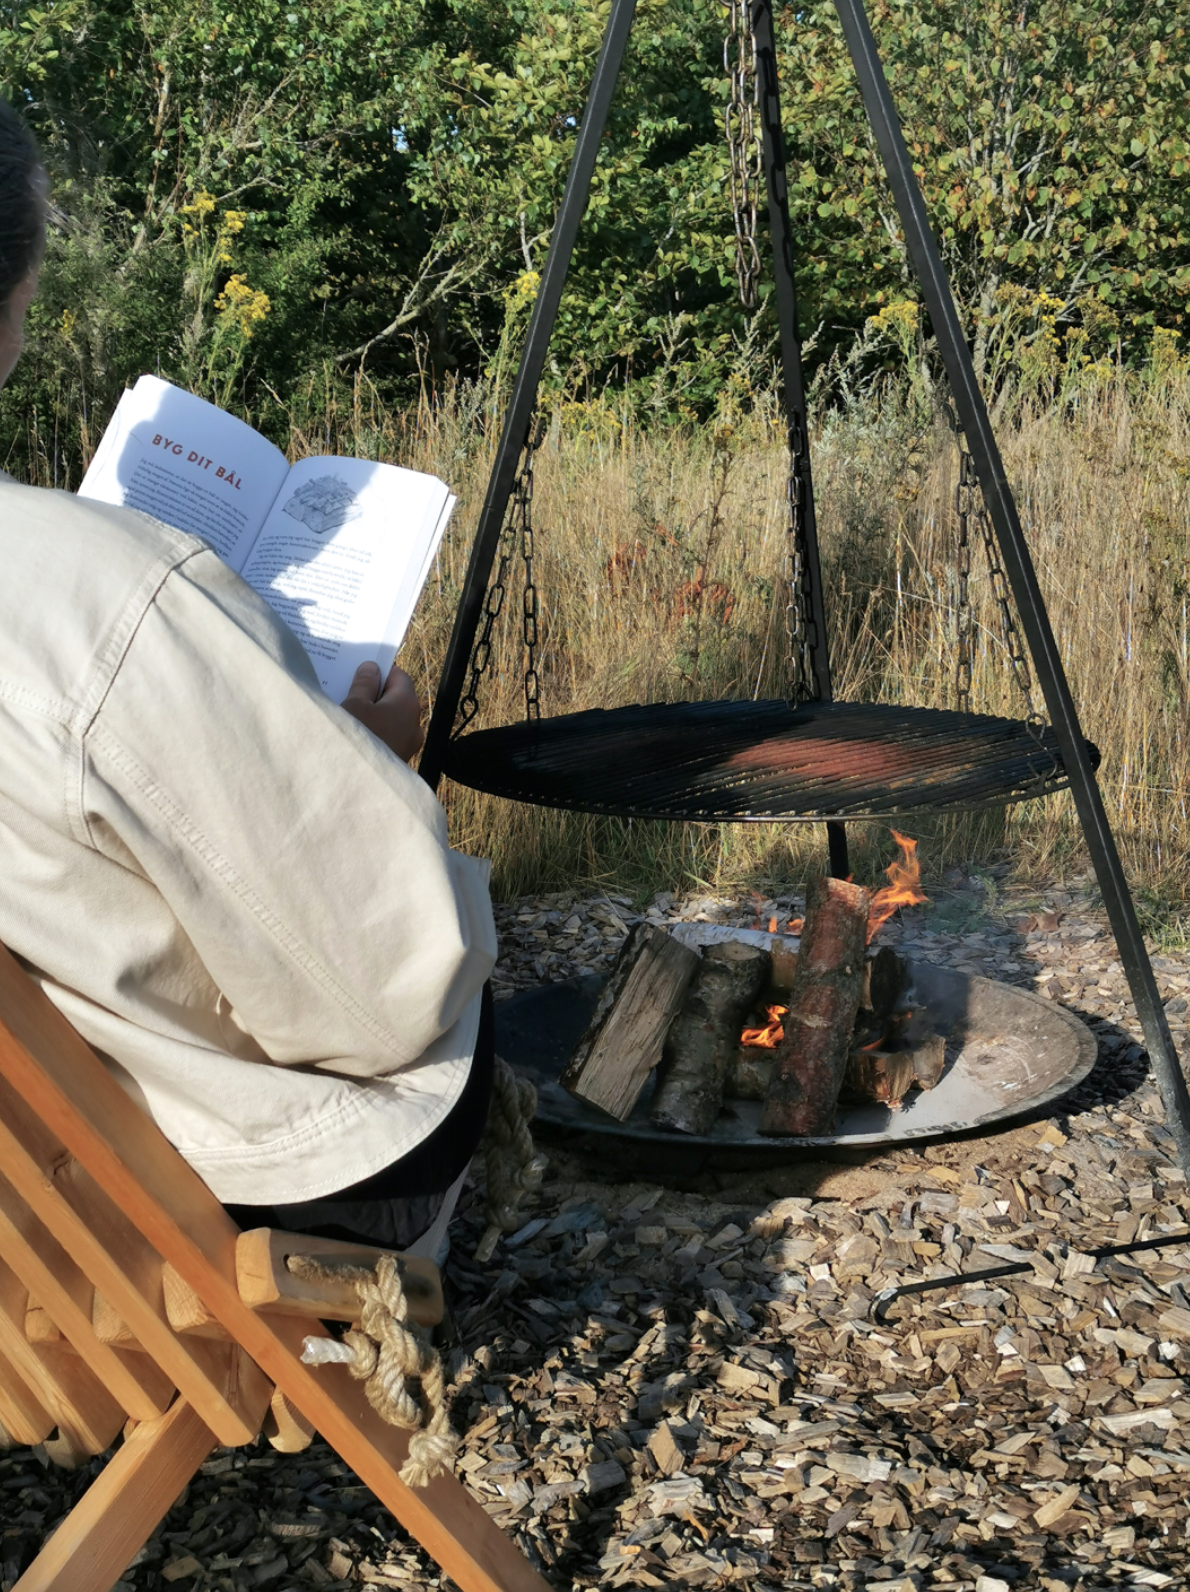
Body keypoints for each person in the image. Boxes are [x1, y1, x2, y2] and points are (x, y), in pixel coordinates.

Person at [0, 99, 497, 1259]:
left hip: (25, 1199)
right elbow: (383, 1001)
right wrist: (365, 768)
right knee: (454, 989)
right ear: (13, 298)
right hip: (166, 1192)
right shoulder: (102, 591)